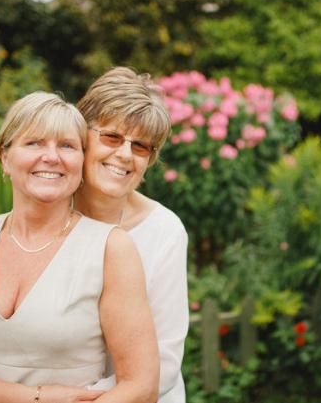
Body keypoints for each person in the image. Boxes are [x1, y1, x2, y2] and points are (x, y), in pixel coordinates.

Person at [0, 92, 159, 403]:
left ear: (81, 161)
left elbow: (141, 386)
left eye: (67, 146)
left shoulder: (111, 248)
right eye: (34, 143)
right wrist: (33, 398)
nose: (52, 157)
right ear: (4, 156)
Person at [75, 67, 188, 403]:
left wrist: (71, 398)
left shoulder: (164, 231)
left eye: (140, 146)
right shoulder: (50, 213)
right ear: (83, 135)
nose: (124, 154)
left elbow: (164, 363)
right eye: (111, 137)